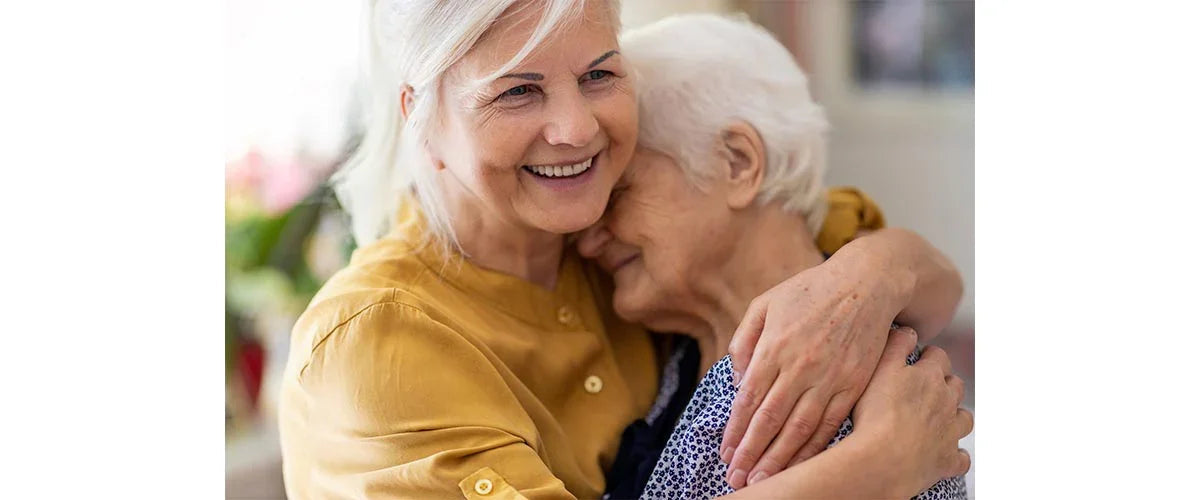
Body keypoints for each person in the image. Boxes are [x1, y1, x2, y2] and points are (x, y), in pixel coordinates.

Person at [278, 1, 970, 497]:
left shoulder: (612, 243)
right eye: (517, 91)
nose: (577, 130)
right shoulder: (374, 344)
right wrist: (875, 469)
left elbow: (889, 264)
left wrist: (875, 273)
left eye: (599, 75)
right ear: (421, 116)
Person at [578, 14, 971, 498]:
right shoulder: (680, 357)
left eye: (617, 194)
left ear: (738, 163)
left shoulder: (855, 386)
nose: (587, 240)